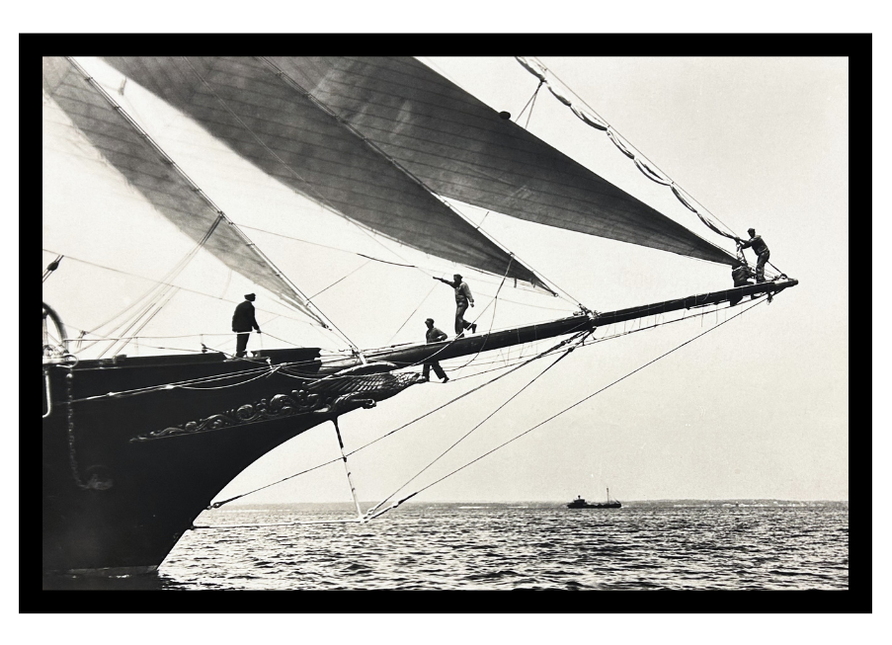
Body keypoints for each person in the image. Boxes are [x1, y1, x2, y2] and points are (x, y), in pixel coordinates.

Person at [232, 293, 261, 357]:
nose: (255, 298)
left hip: (239, 328)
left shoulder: (240, 305)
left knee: (240, 341)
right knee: (243, 342)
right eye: (254, 297)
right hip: (246, 328)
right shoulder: (250, 307)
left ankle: (239, 354)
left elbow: (235, 317)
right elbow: (251, 318)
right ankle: (240, 355)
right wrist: (257, 328)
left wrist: (234, 327)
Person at [421, 318, 449, 382]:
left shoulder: (435, 330)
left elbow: (445, 335)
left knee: (432, 363)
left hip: (434, 349)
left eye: (428, 324)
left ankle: (426, 376)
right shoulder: (428, 332)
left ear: (431, 323)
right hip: (429, 349)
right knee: (430, 363)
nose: (427, 325)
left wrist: (439, 339)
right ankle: (426, 377)